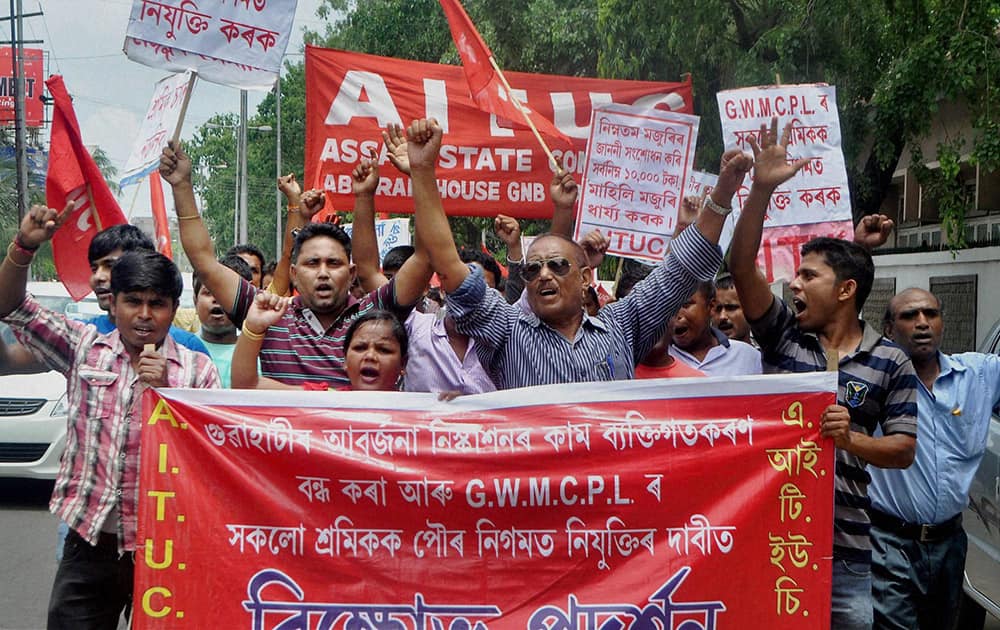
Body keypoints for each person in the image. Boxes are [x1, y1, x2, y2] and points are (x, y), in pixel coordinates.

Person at [729, 117, 917, 630]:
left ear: (846, 290)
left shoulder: (890, 360)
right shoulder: (783, 335)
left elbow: (903, 449)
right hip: (772, 539)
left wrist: (850, 440)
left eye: (809, 275)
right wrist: (761, 189)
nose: (794, 285)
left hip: (848, 553)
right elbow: (742, 266)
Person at [0, 204, 220, 629]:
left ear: (173, 310)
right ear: (113, 305)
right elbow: (11, 306)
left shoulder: (196, 370)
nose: (144, 315)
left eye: (156, 304)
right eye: (133, 301)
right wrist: (23, 246)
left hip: (167, 550)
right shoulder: (83, 346)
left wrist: (168, 395)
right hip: (89, 543)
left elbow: (211, 459)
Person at [409, 117, 747, 388]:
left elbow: (680, 270)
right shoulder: (506, 330)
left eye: (557, 266)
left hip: (612, 474)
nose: (543, 275)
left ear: (586, 277)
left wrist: (723, 193)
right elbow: (450, 268)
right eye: (532, 270)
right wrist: (423, 171)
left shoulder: (621, 328)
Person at [162, 140, 433, 388]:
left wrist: (421, 172)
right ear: (293, 273)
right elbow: (205, 263)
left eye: (334, 263)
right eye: (312, 263)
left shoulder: (375, 315)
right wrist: (182, 186)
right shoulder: (267, 313)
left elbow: (424, 257)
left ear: (351, 274)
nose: (323, 273)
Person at [868, 288, 1000, 630]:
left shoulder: (980, 376)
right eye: (909, 316)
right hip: (889, 545)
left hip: (951, 545)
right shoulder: (872, 382)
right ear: (888, 329)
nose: (922, 323)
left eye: (931, 314)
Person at [0, 223, 209, 375]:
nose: (99, 277)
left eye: (110, 266)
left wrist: (167, 389)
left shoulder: (190, 352)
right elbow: (7, 357)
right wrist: (23, 247)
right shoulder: (80, 340)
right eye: (94, 268)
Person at [670, 280, 761, 376]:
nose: (676, 314)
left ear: (711, 306)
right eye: (668, 306)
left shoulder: (749, 356)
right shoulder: (657, 359)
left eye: (685, 305)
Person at [194, 254, 253, 387]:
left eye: (225, 294)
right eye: (208, 292)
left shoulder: (258, 355)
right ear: (195, 300)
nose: (217, 299)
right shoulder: (181, 350)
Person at [712, 274, 754, 345]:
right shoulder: (701, 355)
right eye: (718, 309)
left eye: (731, 308)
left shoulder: (765, 354)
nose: (722, 316)